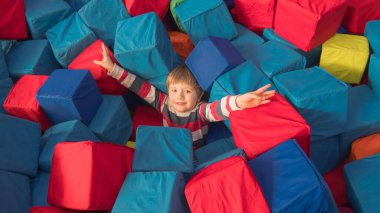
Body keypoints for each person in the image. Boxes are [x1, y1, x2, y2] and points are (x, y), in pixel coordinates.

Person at [94, 43, 276, 148]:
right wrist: (112, 69)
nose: (179, 96)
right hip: (172, 145)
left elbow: (219, 108)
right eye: (174, 90)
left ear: (198, 96)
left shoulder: (200, 111)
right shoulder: (163, 102)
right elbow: (138, 86)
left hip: (196, 148)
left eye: (187, 91)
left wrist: (240, 101)